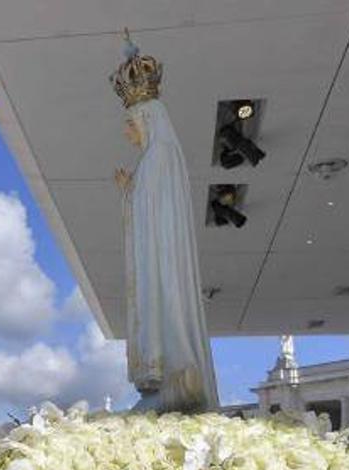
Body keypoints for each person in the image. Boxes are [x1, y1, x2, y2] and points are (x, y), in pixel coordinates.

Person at [111, 31, 219, 413]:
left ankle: (172, 374)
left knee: (162, 304)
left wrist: (131, 193)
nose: (127, 131)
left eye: (130, 123)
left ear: (145, 118)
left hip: (161, 258)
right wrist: (130, 193)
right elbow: (150, 208)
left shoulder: (158, 157)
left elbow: (154, 212)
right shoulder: (154, 159)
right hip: (156, 252)